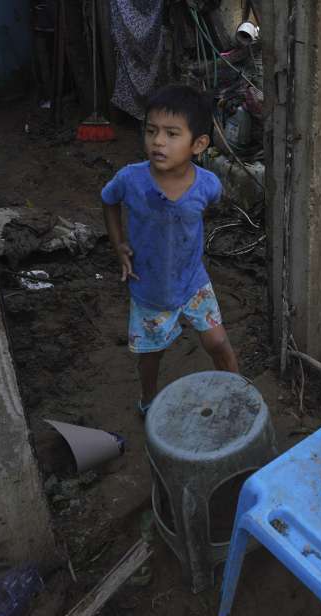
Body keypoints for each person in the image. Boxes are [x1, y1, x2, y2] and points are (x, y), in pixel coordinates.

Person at [101, 84, 239, 414]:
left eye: (172, 134)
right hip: (150, 289)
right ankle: (148, 402)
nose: (158, 141)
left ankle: (238, 392)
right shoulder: (130, 180)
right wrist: (118, 243)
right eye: (151, 131)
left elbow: (211, 207)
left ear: (198, 144)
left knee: (218, 342)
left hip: (193, 281)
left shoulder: (208, 185)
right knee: (152, 356)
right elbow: (108, 200)